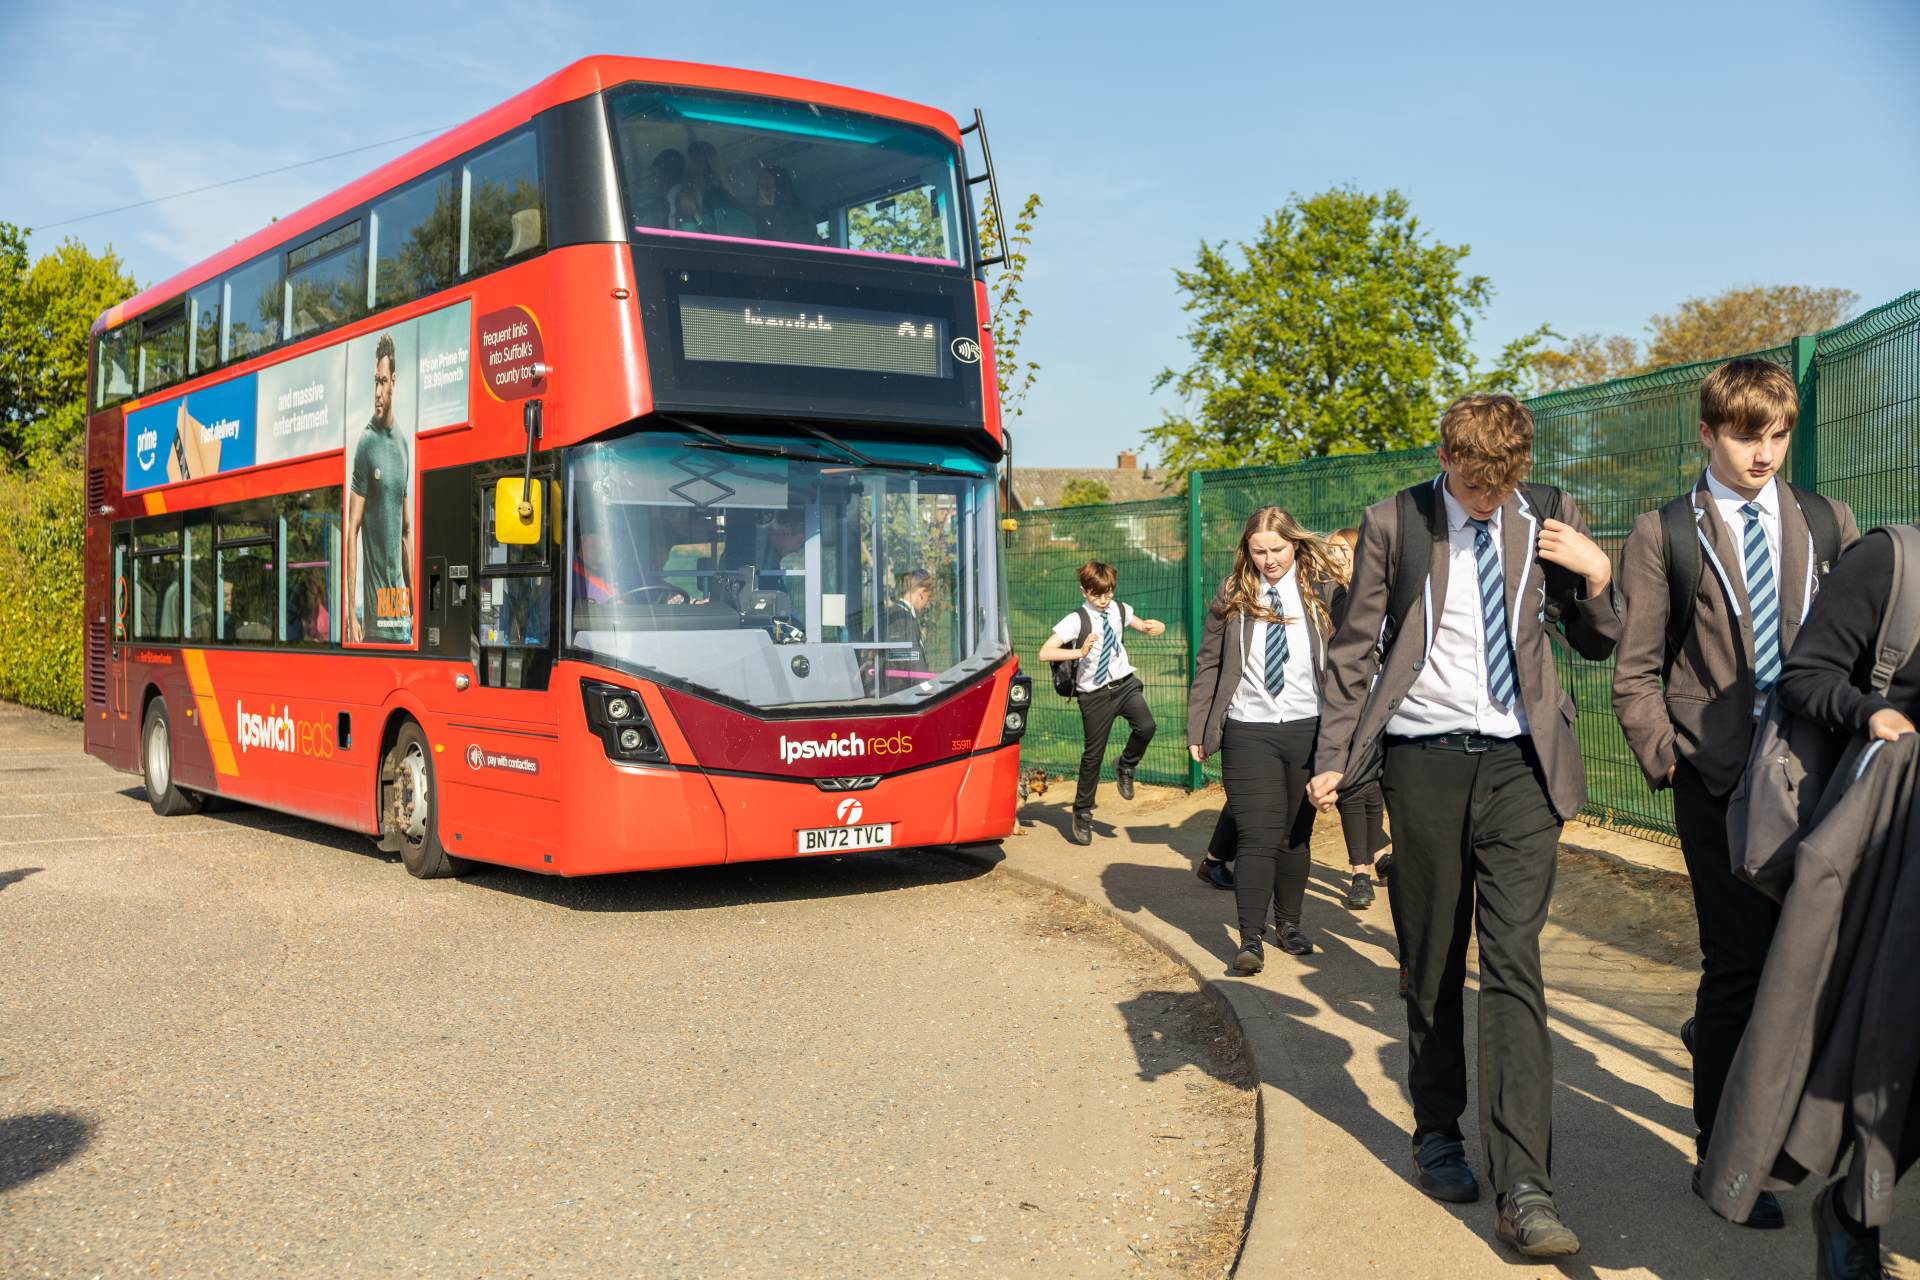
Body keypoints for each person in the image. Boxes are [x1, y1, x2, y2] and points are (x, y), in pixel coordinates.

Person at [1307, 394, 1620, 1258]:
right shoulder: (1395, 522)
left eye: (1501, 487)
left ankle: (1526, 1187)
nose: (1488, 502)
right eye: (1475, 487)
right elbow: (1354, 648)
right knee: (1435, 958)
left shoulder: (1548, 513)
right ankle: (1437, 1131)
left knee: (1515, 964)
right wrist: (1333, 754)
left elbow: (1596, 643)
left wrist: (1598, 577)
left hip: (1522, 765)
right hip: (1424, 761)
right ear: (1445, 459)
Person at [1611, 357, 1858, 1230]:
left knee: (1815, 964)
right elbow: (1635, 671)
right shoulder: (1663, 533)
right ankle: (1723, 1156)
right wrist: (1672, 760)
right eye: (1748, 436)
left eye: (1778, 435)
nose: (1765, 453)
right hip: (1715, 782)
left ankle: (1787, 1118)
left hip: (1816, 778)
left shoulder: (1827, 521)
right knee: (1737, 969)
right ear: (1708, 433)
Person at [1760, 528, 1920, 1279]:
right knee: (1898, 1045)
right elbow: (1805, 674)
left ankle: (1854, 1209)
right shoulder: (1890, 561)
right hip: (1892, 845)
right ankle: (1852, 1212)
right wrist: (1869, 712)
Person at [1186, 507, 1343, 972]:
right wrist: (1199, 725)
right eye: (1259, 551)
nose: (1269, 560)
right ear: (1246, 550)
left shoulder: (1322, 590)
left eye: (1277, 549)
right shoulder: (1234, 591)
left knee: (1295, 837)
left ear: (1295, 544)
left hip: (1308, 727)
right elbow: (1209, 661)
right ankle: (1249, 940)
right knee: (1256, 836)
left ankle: (1288, 925)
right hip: (1248, 728)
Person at [1037, 560, 1167, 846]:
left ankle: (1126, 765)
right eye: (1097, 595)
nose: (1104, 600)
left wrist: (1153, 626)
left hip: (1125, 685)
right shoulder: (1076, 620)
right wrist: (1079, 652)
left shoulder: (1119, 609)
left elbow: (1141, 625)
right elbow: (1045, 653)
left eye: (1108, 593)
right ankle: (1082, 813)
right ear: (1084, 591)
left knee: (1146, 727)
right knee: (1093, 756)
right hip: (1094, 695)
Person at [1326, 525, 1390, 910]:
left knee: (1372, 782)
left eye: (1342, 550)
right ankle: (1360, 871)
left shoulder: (1376, 592)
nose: (1334, 557)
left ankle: (1379, 854)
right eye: (1330, 551)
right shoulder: (1331, 594)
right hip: (1343, 699)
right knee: (1351, 781)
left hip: (1380, 697)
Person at [343, 332, 412, 644]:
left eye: (383, 382)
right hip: (375, 620)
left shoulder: (403, 444)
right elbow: (352, 528)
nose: (378, 392)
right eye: (375, 382)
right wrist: (351, 612)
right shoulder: (366, 443)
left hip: (401, 614)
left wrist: (415, 606)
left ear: (393, 382)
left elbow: (406, 531)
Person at [885, 568, 933, 647]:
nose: (927, 603)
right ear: (922, 593)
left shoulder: (893, 613)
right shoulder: (905, 620)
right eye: (929, 597)